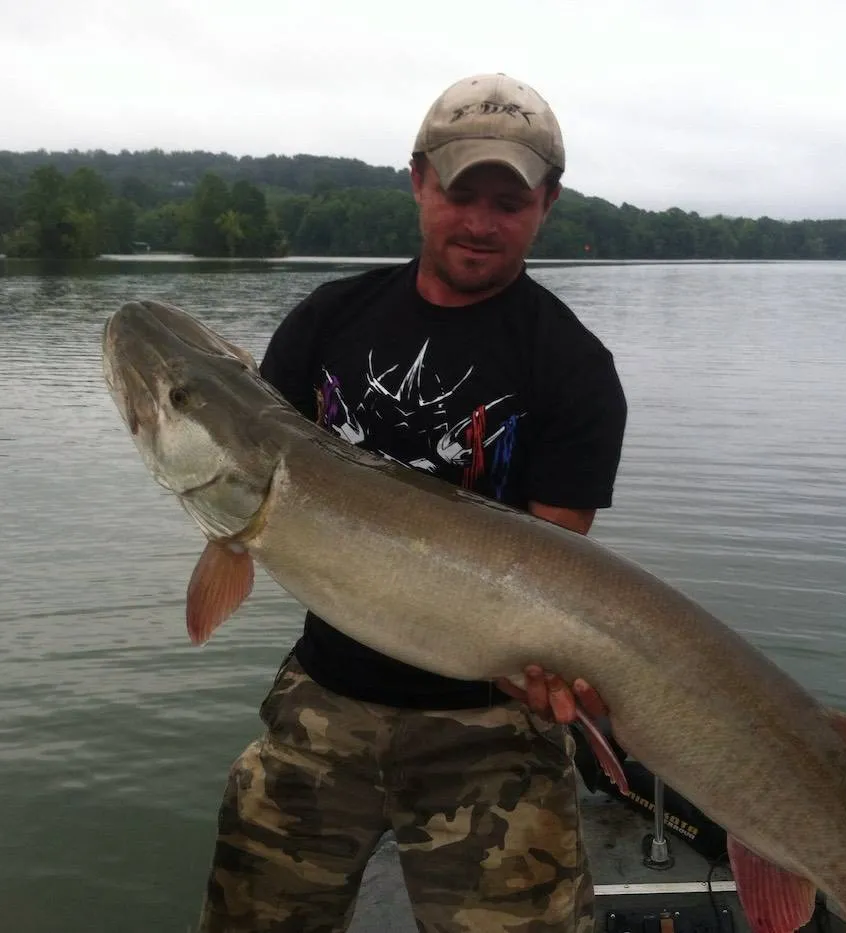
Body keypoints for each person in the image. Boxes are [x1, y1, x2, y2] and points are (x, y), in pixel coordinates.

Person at [198, 72, 628, 933]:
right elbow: (250, 473)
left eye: (509, 201)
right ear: (418, 180)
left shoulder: (575, 371)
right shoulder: (326, 322)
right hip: (324, 703)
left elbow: (547, 574)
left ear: (547, 202)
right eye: (463, 192)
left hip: (493, 731)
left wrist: (551, 671)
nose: (480, 222)